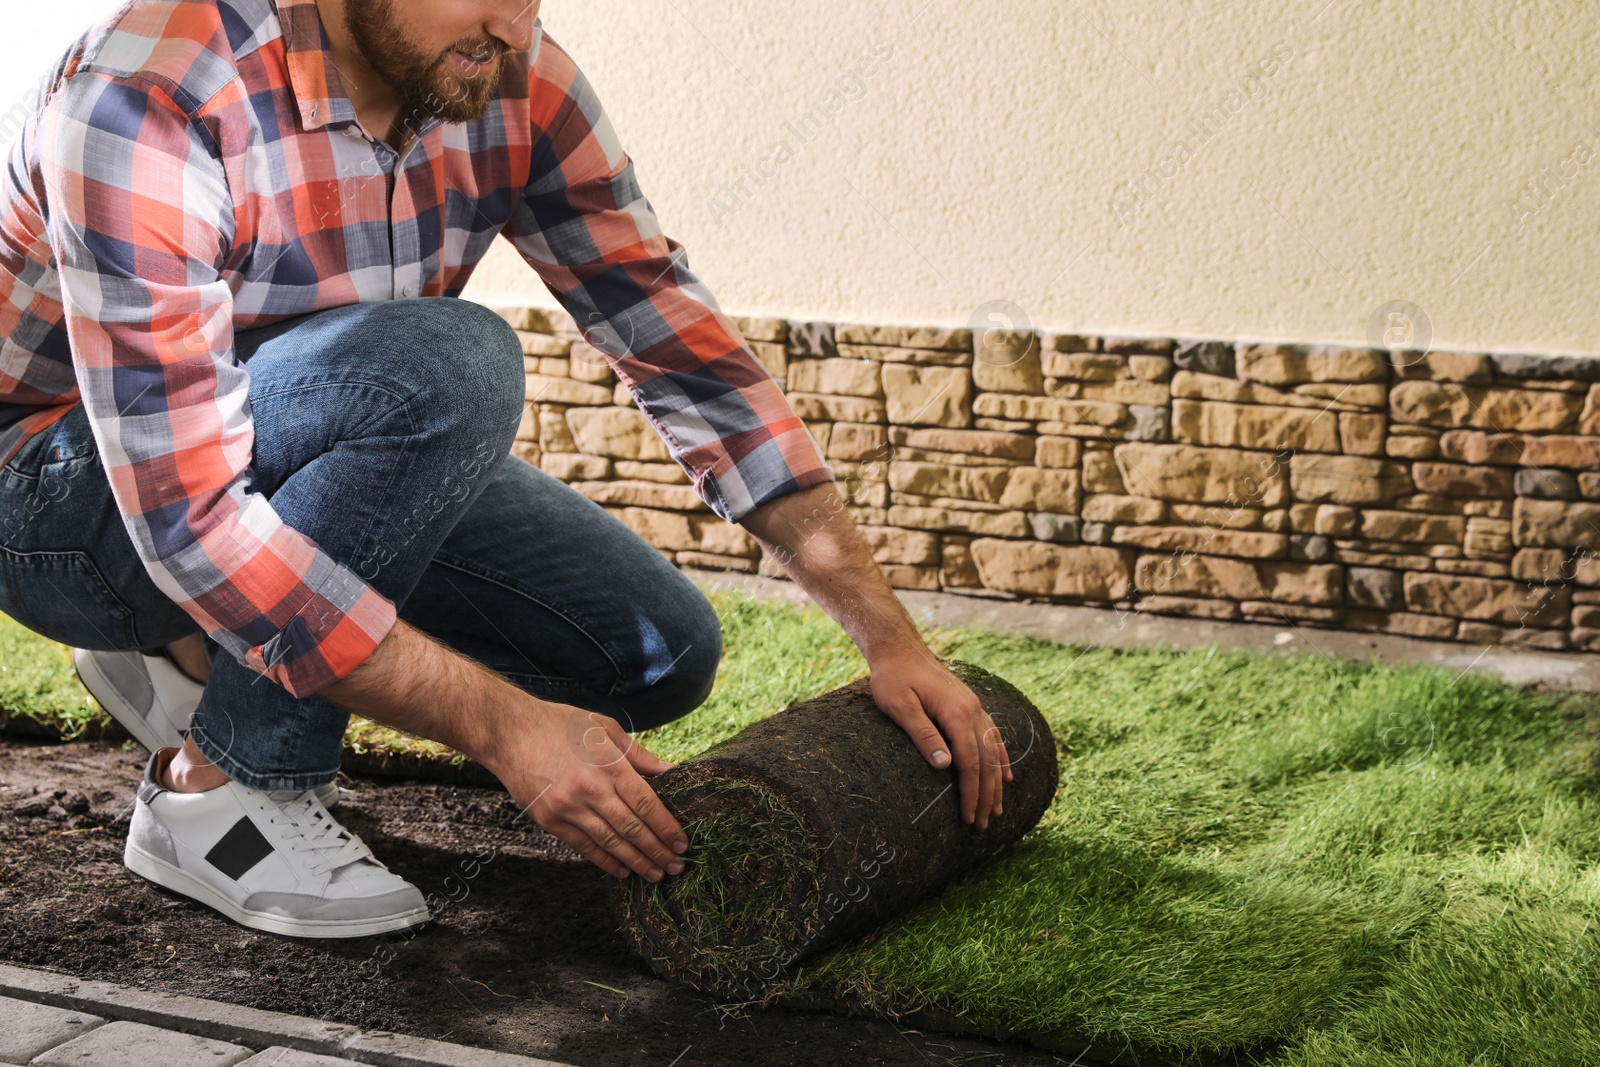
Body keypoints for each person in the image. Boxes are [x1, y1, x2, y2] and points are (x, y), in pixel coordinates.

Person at [0, 0, 1011, 940]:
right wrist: (507, 728)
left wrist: (887, 636)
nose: (513, 22)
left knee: (655, 653)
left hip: (282, 455)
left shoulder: (505, 74)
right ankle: (220, 787)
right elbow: (188, 517)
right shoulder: (153, 92)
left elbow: (677, 345)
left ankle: (197, 651)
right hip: (58, 497)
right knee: (447, 362)